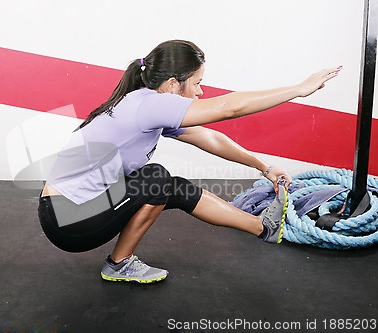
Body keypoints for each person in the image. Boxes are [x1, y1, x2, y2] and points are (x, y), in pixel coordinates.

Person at [38, 40, 341, 283]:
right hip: (68, 219)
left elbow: (210, 138)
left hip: (74, 211)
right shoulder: (148, 105)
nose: (200, 91)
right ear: (172, 85)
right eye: (196, 83)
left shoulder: (145, 103)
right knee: (156, 179)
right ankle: (119, 264)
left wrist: (264, 167)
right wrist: (298, 89)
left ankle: (265, 228)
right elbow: (229, 108)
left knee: (174, 187)